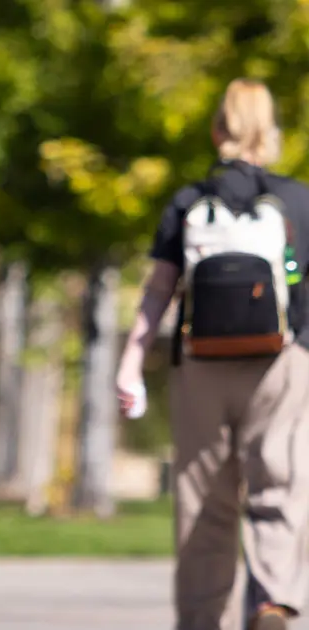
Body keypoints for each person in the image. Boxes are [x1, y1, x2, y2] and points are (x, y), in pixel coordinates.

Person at [117, 79, 309, 630]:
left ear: (216, 129)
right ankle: (273, 600)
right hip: (283, 362)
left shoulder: (188, 201)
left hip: (200, 361)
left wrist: (131, 363)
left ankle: (204, 619)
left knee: (204, 495)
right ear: (271, 131)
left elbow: (158, 290)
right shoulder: (297, 199)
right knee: (281, 482)